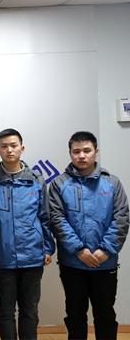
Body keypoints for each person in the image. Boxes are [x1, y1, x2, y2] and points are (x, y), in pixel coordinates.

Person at [48, 131, 129, 340]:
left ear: (96, 151)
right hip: (72, 262)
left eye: (87, 150)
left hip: (105, 262)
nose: (81, 155)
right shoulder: (59, 183)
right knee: (75, 314)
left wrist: (105, 250)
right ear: (70, 153)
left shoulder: (112, 183)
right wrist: (79, 250)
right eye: (76, 151)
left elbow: (121, 218)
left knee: (105, 314)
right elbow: (57, 219)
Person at [0, 128, 55, 340]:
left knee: (30, 310)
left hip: (32, 256)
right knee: (5, 312)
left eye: (13, 145)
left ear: (22, 148)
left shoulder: (36, 180)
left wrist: (48, 248)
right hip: (2, 257)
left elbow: (45, 217)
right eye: (4, 146)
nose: (9, 150)